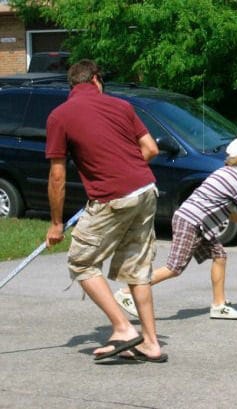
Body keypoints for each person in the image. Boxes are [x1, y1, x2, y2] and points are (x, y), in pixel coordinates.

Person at [45, 59, 166, 363]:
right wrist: (126, 167)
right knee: (137, 270)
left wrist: (57, 224)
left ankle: (123, 328)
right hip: (146, 190)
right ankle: (151, 343)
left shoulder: (59, 115)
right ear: (97, 80)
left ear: (72, 85)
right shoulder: (122, 106)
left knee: (81, 261)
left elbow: (57, 176)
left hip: (114, 196)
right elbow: (151, 149)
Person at [114, 138, 237, 320]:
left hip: (197, 222)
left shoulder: (225, 173)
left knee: (220, 257)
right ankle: (127, 292)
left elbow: (224, 209)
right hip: (191, 222)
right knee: (174, 268)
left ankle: (219, 306)